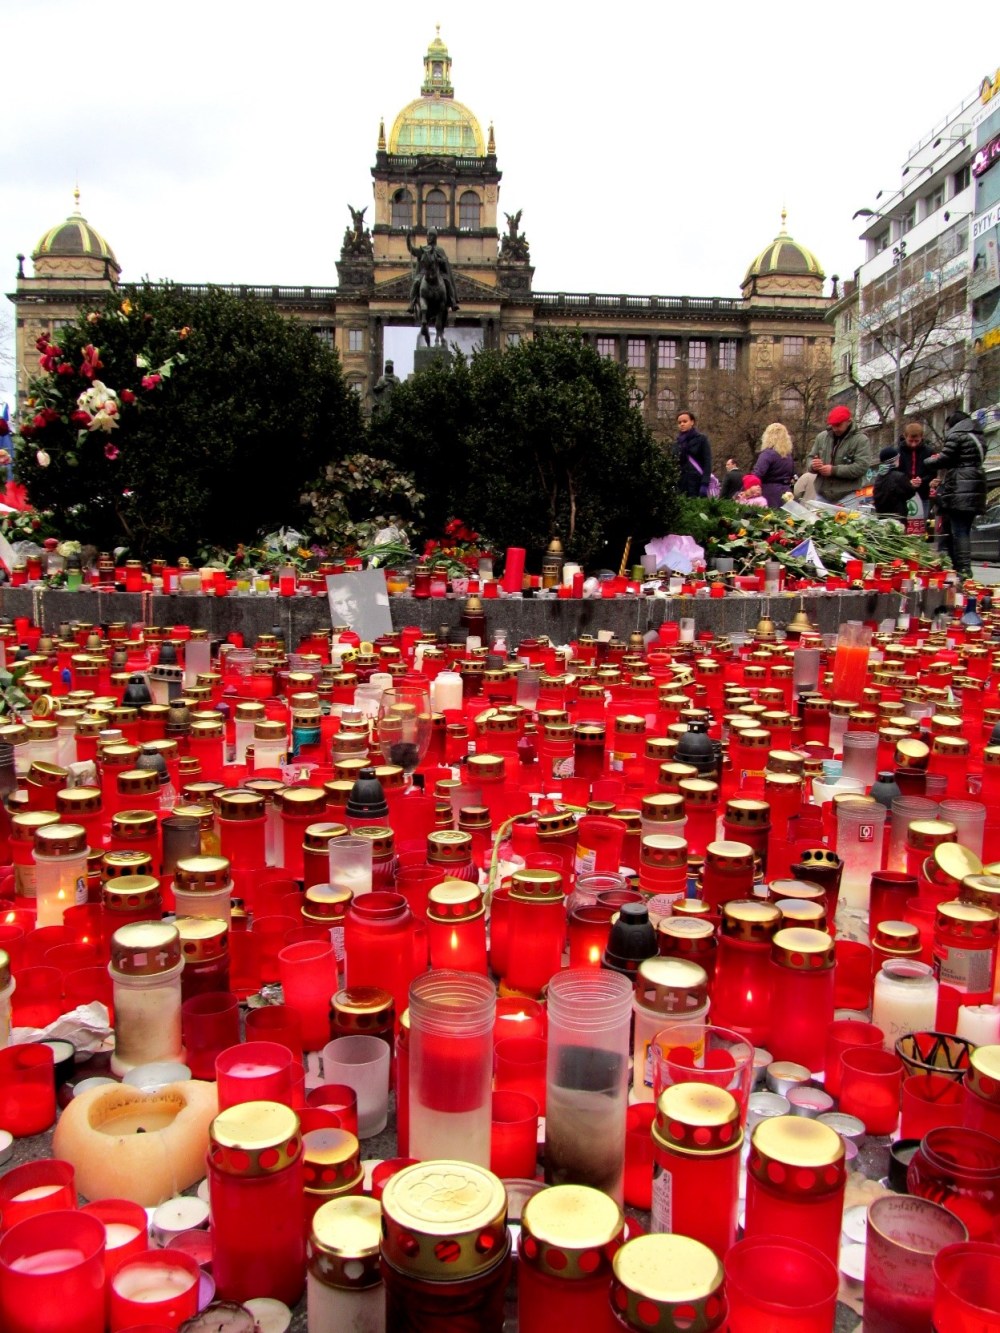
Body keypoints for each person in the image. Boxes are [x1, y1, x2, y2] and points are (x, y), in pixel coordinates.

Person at [930, 409, 987, 580]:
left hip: (960, 487)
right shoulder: (979, 436)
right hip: (975, 486)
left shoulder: (957, 435)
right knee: (964, 529)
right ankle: (962, 568)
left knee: (959, 530)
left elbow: (945, 458)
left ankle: (963, 569)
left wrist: (929, 460)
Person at [807, 406, 873, 504]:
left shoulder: (861, 440)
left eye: (838, 425)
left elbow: (861, 467)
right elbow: (810, 457)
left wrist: (834, 470)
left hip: (847, 496)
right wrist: (813, 465)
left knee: (846, 515)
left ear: (848, 421)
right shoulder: (822, 437)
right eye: (833, 425)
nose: (835, 429)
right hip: (822, 495)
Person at [407, 231, 459, 314]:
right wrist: (408, 239)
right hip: (424, 273)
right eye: (428, 236)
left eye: (431, 236)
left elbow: (444, 261)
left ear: (435, 238)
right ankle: (411, 303)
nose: (428, 238)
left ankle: (453, 302)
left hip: (439, 272)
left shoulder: (439, 250)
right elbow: (412, 250)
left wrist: (438, 260)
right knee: (416, 282)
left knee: (448, 282)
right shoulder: (424, 249)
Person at [895, 419, 935, 513]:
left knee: (921, 521)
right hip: (903, 495)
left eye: (916, 441)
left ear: (921, 437)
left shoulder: (929, 452)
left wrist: (922, 480)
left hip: (923, 495)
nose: (913, 444)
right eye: (910, 441)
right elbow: (894, 474)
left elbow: (933, 473)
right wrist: (907, 482)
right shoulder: (898, 452)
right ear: (905, 437)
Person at [753, 422, 796, 508]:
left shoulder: (767, 454)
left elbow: (757, 474)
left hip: (769, 493)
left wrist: (743, 490)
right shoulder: (788, 457)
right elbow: (793, 475)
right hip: (786, 493)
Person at [674, 411, 712, 498]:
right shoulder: (677, 443)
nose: (682, 424)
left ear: (692, 422)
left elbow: (707, 462)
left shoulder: (701, 439)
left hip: (697, 483)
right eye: (679, 422)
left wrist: (705, 483)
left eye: (685, 421)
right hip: (681, 484)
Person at [872, 444, 914, 518]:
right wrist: (912, 485)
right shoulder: (899, 477)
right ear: (895, 460)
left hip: (881, 516)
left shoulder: (879, 477)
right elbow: (910, 493)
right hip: (897, 516)